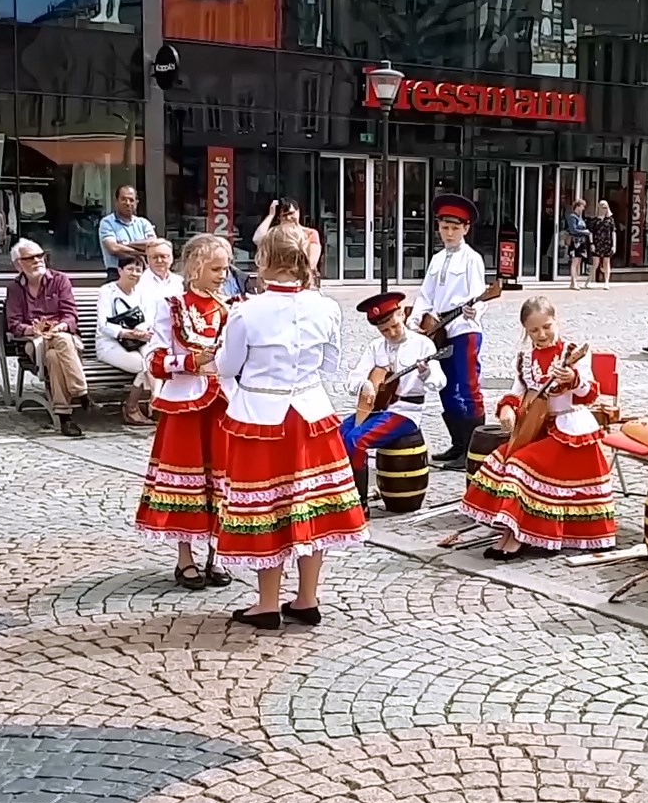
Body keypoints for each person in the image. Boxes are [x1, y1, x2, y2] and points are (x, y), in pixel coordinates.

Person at [214, 226, 366, 628]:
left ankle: (267, 604)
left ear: (264, 261)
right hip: (312, 414)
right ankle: (307, 598)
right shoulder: (325, 307)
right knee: (309, 504)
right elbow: (331, 365)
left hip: (262, 418)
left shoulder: (246, 311)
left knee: (268, 507)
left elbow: (226, 367)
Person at [460, 296, 618, 559]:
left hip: (570, 433)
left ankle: (519, 535)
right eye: (534, 330)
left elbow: (589, 393)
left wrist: (573, 379)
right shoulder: (525, 358)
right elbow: (519, 390)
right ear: (526, 330)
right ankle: (511, 532)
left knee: (519, 465)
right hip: (538, 428)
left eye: (546, 326)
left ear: (556, 321)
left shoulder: (571, 353)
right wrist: (508, 408)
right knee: (502, 459)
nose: (542, 334)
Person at [135, 234, 235, 590]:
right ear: (195, 268)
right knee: (187, 481)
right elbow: (155, 359)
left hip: (223, 404)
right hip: (186, 406)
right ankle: (185, 557)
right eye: (216, 268)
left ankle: (217, 553)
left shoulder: (231, 307)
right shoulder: (172, 306)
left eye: (225, 268)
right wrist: (193, 360)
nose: (223, 275)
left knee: (221, 480)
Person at [342, 291, 445, 506]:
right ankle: (344, 495)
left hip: (405, 412)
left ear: (402, 315)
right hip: (377, 409)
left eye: (394, 326)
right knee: (339, 434)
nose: (390, 333)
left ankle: (359, 505)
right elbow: (353, 379)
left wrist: (425, 373)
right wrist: (367, 385)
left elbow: (439, 381)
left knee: (357, 441)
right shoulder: (375, 347)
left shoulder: (422, 345)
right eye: (384, 330)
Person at [410, 194, 490, 468]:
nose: (450, 233)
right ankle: (457, 443)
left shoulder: (472, 259)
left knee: (467, 387)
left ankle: (473, 447)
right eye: (445, 227)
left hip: (464, 330)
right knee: (445, 387)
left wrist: (474, 311)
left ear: (466, 228)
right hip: (439, 331)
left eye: (455, 228)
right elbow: (426, 294)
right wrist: (418, 319)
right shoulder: (436, 259)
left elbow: (479, 295)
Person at [4, 239, 89, 437]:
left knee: (55, 352)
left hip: (66, 339)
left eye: (40, 256)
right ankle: (82, 393)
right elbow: (14, 324)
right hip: (34, 342)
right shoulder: (15, 288)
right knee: (54, 348)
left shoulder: (60, 280)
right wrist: (32, 330)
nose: (37, 261)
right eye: (30, 258)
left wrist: (60, 326)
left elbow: (71, 316)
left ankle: (65, 416)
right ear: (19, 264)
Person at [97, 253, 163, 424]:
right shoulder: (108, 291)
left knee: (154, 360)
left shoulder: (143, 292)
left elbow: (149, 317)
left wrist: (140, 331)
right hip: (111, 343)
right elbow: (103, 324)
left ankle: (156, 398)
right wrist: (126, 333)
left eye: (138, 269)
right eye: (130, 269)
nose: (134, 273)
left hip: (138, 340)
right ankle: (132, 407)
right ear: (120, 270)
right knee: (143, 366)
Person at [251, 198, 322, 281]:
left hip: (301, 282)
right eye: (284, 215)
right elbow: (257, 239)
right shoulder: (275, 235)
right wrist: (270, 215)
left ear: (298, 212)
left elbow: (312, 262)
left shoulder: (309, 233)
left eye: (291, 213)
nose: (288, 217)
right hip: (277, 281)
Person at [99, 184, 157, 277]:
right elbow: (113, 248)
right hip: (117, 273)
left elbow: (152, 244)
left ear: (137, 202)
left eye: (131, 200)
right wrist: (141, 253)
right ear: (116, 201)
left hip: (142, 273)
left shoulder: (143, 223)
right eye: (124, 199)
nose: (128, 203)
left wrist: (124, 245)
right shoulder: (107, 222)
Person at [587, 199, 617, 288]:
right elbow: (591, 233)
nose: (603, 209)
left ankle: (607, 282)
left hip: (607, 243)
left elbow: (613, 232)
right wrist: (591, 243)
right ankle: (589, 279)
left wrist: (614, 245)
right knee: (595, 263)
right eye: (601, 207)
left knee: (606, 262)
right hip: (597, 243)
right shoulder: (594, 220)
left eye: (605, 207)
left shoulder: (610, 220)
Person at [564, 199, 592, 289]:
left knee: (578, 261)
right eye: (582, 206)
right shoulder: (572, 217)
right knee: (575, 261)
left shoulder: (579, 217)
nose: (583, 209)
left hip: (581, 241)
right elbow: (573, 230)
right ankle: (573, 282)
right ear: (578, 206)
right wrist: (585, 232)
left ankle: (574, 281)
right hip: (575, 241)